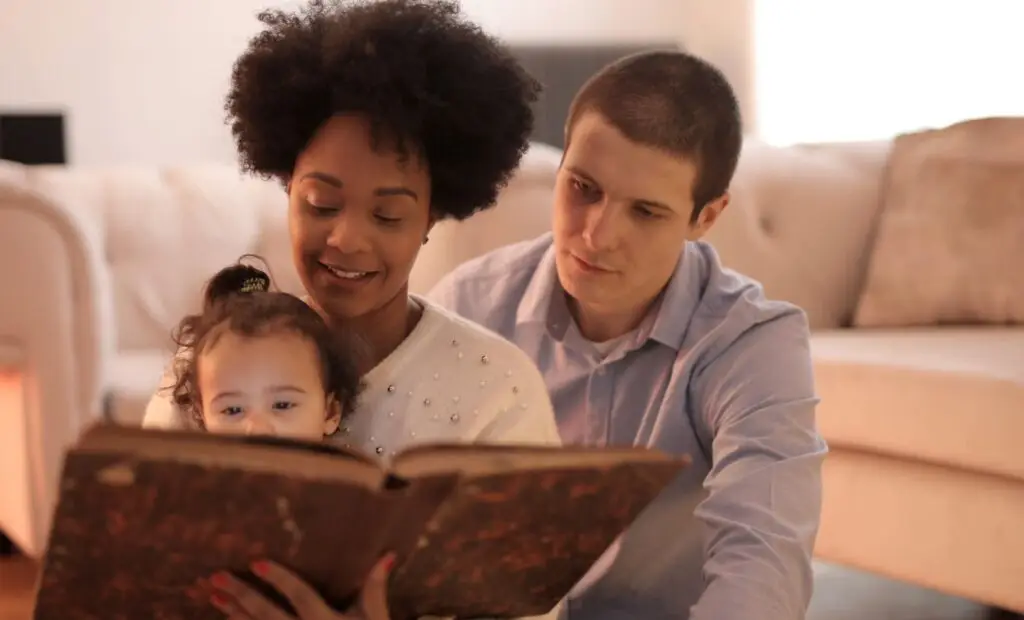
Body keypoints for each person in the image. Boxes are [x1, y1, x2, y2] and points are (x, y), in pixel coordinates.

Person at [141, 0, 562, 617]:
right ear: (286, 187)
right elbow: (142, 565)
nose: (346, 240)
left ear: (432, 217)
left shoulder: (497, 389)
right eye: (320, 203)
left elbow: (532, 607)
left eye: (388, 215)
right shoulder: (209, 366)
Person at [429, 50, 828, 620]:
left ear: (705, 217)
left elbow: (764, 559)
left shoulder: (753, 341)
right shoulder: (468, 307)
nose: (597, 234)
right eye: (583, 188)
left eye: (644, 211)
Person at [166, 260, 362, 439]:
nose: (258, 430)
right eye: (233, 410)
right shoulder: (190, 478)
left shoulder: (347, 477)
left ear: (330, 412)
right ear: (203, 417)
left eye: (282, 405)